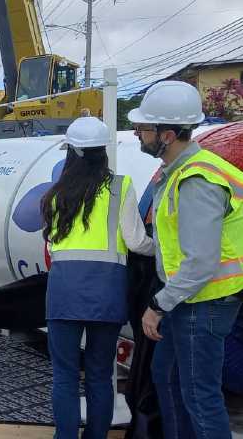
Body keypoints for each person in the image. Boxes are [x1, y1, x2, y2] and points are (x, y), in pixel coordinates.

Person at [131, 80, 243, 439]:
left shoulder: (197, 179)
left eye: (144, 127)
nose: (137, 133)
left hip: (204, 301)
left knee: (200, 395)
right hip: (190, 298)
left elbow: (200, 261)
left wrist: (157, 305)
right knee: (167, 377)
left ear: (167, 134)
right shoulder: (178, 171)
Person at [40, 117, 154, 439]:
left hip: (63, 293)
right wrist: (160, 248)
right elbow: (135, 242)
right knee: (100, 375)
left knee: (63, 377)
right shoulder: (120, 186)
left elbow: (51, 244)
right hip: (107, 293)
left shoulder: (54, 194)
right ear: (103, 152)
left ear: (71, 154)